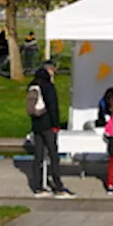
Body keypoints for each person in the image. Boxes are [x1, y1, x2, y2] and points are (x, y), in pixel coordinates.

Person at [28, 61, 75, 198]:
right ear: (50, 70)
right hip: (48, 124)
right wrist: (56, 125)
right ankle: (58, 186)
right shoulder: (48, 86)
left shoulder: (33, 84)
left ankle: (37, 186)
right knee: (53, 156)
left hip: (36, 124)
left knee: (38, 156)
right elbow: (53, 107)